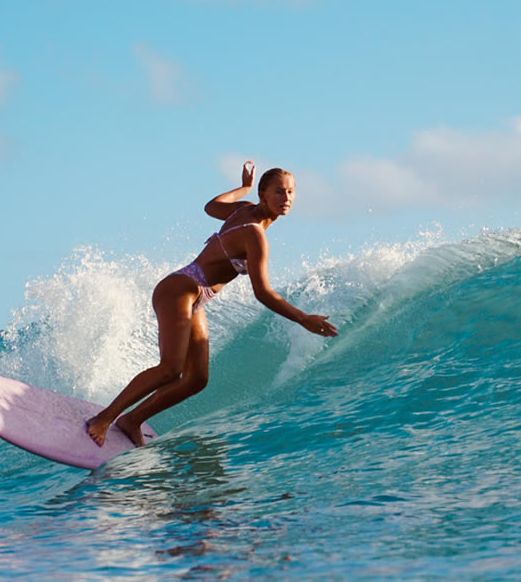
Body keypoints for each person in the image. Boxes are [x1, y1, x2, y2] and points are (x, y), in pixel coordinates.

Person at [86, 161, 339, 447]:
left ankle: (132, 420)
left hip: (196, 296)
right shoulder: (255, 233)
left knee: (196, 379)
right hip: (180, 289)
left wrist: (242, 188)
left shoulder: (243, 209)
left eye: (291, 192)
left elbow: (212, 206)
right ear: (263, 195)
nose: (286, 199)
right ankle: (104, 418)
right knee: (170, 369)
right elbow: (263, 292)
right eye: (279, 192)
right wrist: (304, 319)